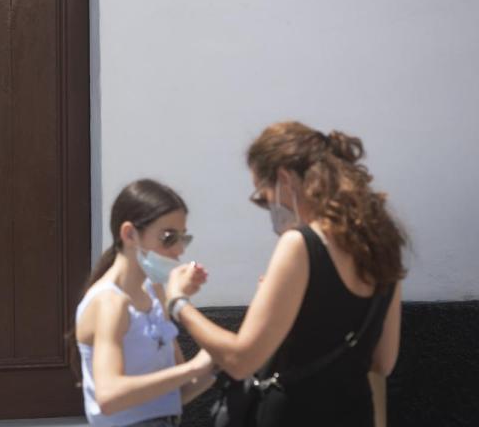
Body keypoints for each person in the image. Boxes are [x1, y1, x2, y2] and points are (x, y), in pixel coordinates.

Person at [165, 122, 407, 427]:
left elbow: (241, 360)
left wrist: (179, 304)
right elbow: (383, 361)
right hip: (355, 413)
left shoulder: (301, 245)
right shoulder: (384, 247)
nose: (268, 208)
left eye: (263, 197)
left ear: (284, 179)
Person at [72, 179, 216, 427]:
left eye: (184, 238)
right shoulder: (110, 303)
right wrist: (194, 368)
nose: (179, 250)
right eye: (169, 237)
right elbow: (109, 396)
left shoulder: (156, 293)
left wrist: (218, 361)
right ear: (130, 234)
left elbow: (178, 393)